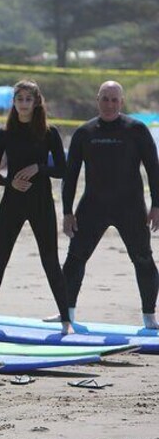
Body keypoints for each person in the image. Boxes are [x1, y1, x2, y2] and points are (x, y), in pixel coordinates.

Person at [0, 80, 73, 335]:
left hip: (41, 201)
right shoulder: (4, 134)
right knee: (0, 256)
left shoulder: (49, 133)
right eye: (19, 99)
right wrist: (11, 182)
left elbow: (62, 170)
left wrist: (39, 168)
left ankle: (66, 321)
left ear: (36, 101)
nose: (23, 104)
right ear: (14, 102)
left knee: (50, 260)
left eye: (28, 99)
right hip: (12, 202)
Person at [61, 81, 159, 329]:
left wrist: (157, 205)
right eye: (105, 98)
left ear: (121, 102)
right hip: (93, 206)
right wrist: (67, 211)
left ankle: (149, 316)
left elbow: (154, 169)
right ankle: (67, 314)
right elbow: (70, 175)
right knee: (75, 258)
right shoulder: (84, 132)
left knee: (143, 259)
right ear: (97, 100)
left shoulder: (136, 129)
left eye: (114, 99)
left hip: (131, 207)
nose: (109, 104)